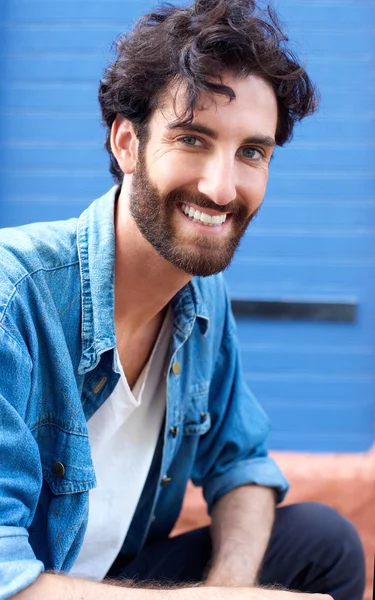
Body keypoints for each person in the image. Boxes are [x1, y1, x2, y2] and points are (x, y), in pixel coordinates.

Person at [0, 0, 365, 599]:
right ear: (126, 143)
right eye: (192, 139)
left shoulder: (202, 299)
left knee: (322, 541)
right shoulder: (15, 299)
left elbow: (242, 464)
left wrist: (229, 587)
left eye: (252, 152)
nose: (222, 188)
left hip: (114, 581)